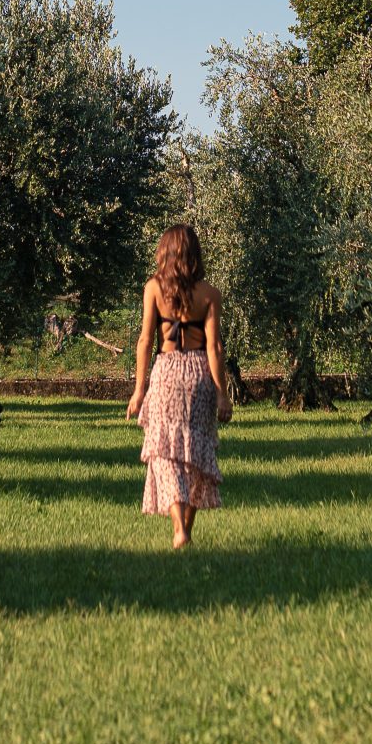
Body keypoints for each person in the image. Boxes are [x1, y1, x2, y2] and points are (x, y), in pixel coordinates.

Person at [126, 222, 230, 548]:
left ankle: (177, 528)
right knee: (197, 453)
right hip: (199, 375)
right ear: (195, 254)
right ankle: (188, 527)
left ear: (165, 253)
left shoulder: (154, 289)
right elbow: (214, 348)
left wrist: (139, 390)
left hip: (167, 373)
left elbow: (145, 340)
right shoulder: (210, 294)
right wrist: (223, 394)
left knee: (165, 453)